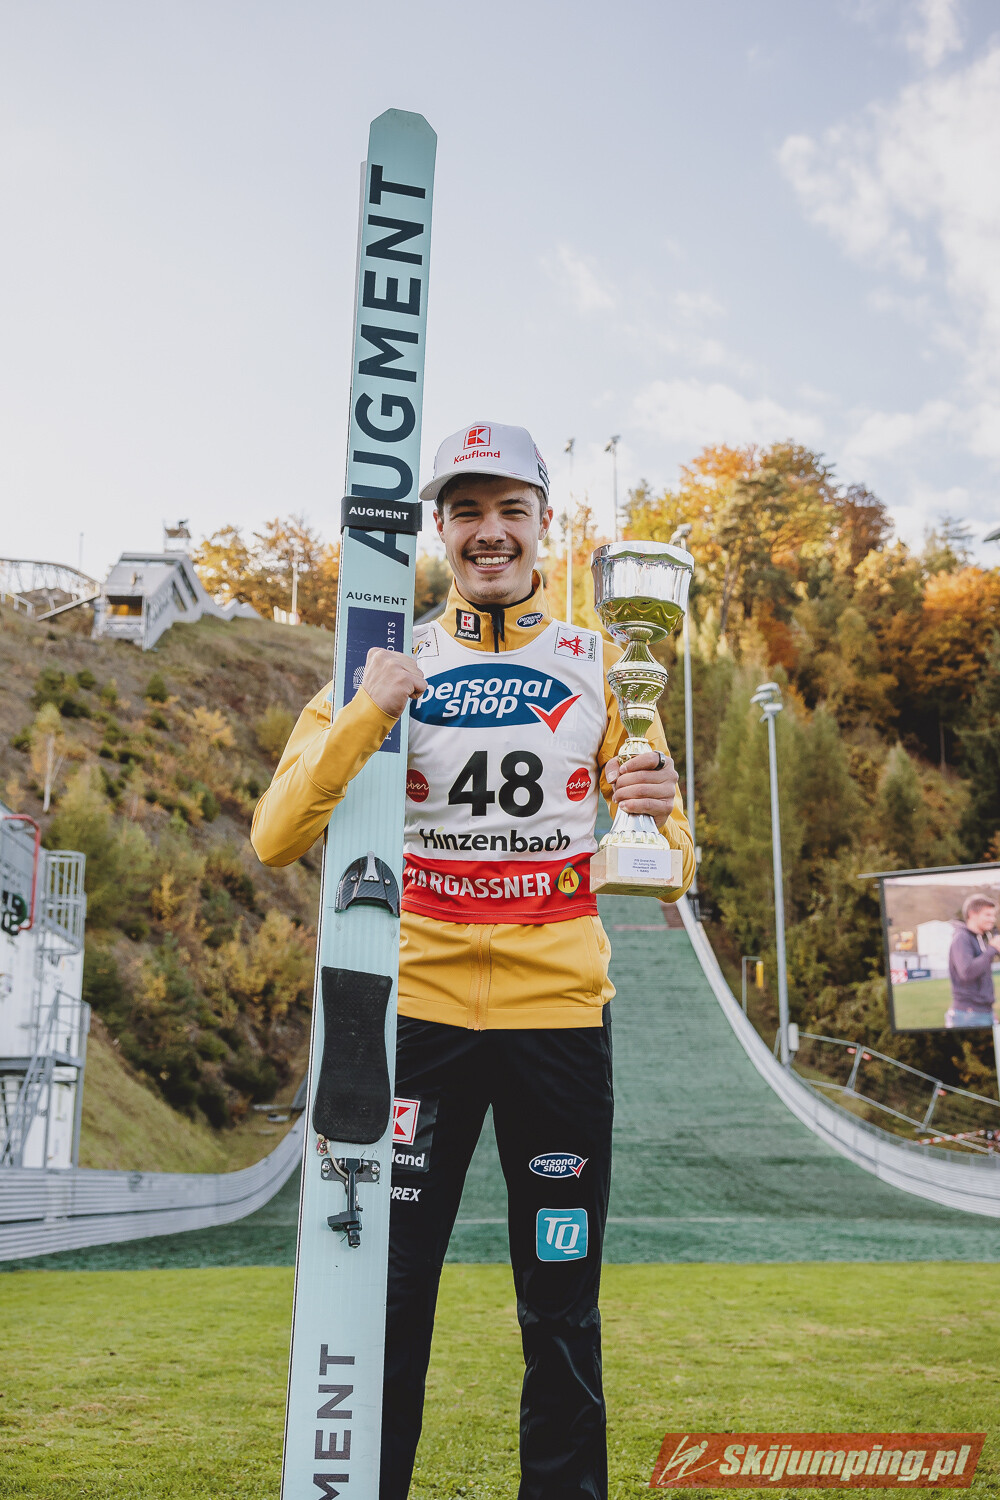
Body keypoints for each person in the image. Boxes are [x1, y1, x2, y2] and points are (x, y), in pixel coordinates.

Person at [251, 421, 695, 1500]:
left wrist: (659, 806)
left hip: (559, 1022)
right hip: (422, 1024)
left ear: (544, 524)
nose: (488, 532)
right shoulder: (389, 664)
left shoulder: (604, 665)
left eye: (509, 510)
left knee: (561, 1309)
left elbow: (673, 868)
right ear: (441, 531)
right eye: (465, 512)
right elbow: (275, 834)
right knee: (390, 1297)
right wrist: (368, 712)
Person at [945, 894, 1000, 1028]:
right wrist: (992, 949)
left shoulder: (979, 938)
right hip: (969, 1015)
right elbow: (967, 972)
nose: (993, 919)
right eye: (988, 915)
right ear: (972, 914)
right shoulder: (962, 938)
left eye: (993, 915)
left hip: (983, 1012)